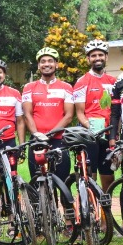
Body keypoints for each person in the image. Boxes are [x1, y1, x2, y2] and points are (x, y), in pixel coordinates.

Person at [22, 47, 74, 185]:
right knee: (38, 182)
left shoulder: (66, 87)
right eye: (43, 61)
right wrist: (37, 135)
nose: (46, 64)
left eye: (50, 61)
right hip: (37, 140)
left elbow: (69, 115)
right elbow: (27, 114)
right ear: (38, 65)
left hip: (59, 140)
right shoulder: (29, 87)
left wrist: (50, 134)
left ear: (56, 64)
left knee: (63, 183)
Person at [72, 39, 117, 191]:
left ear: (106, 57)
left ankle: (106, 204)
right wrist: (91, 128)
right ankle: (91, 204)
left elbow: (116, 110)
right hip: (89, 134)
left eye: (100, 55)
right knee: (90, 175)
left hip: (108, 133)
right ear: (88, 59)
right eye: (93, 55)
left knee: (108, 176)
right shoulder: (82, 81)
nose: (97, 58)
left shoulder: (113, 82)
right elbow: (80, 112)